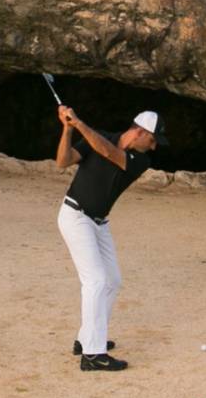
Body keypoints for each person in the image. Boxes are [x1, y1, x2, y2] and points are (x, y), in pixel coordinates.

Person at [54, 104, 163, 372]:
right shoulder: (98, 136)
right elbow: (62, 161)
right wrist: (68, 129)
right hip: (75, 217)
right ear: (138, 132)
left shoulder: (140, 161)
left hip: (98, 223)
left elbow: (108, 152)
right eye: (152, 139)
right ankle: (92, 355)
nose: (154, 147)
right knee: (96, 280)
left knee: (112, 281)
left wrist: (79, 124)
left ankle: (86, 338)